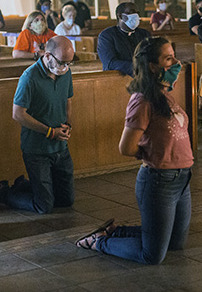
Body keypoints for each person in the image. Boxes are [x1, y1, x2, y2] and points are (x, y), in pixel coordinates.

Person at [74, 37, 194, 265]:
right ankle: (99, 242)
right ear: (152, 66)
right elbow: (126, 147)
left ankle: (115, 231)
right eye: (168, 58)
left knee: (176, 244)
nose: (176, 62)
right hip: (160, 180)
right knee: (152, 256)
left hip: (183, 178)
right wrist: (154, 154)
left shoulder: (164, 95)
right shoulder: (142, 100)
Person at [0, 36, 75, 214]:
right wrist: (50, 132)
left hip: (60, 147)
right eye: (62, 62)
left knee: (66, 200)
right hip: (37, 149)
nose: (65, 67)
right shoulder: (29, 77)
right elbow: (18, 114)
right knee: (43, 206)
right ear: (47, 55)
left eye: (69, 63)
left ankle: (25, 185)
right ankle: (4, 193)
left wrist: (68, 124)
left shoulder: (65, 72)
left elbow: (68, 100)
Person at [98, 2, 151, 77]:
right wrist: (138, 68)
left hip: (144, 79)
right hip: (116, 79)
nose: (136, 15)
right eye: (132, 12)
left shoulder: (144, 34)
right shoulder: (107, 35)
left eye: (137, 12)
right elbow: (110, 63)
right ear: (120, 16)